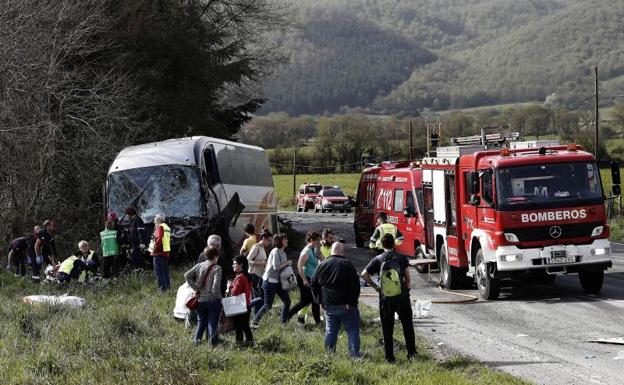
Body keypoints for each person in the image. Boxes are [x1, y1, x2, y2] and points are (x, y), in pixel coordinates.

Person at [361, 233, 416, 363]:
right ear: (394, 244)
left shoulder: (378, 259)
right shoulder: (402, 258)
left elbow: (364, 274)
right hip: (402, 297)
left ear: (382, 244)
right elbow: (408, 278)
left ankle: (390, 358)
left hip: (386, 299)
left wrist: (377, 288)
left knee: (387, 328)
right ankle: (412, 354)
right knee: (407, 326)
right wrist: (406, 290)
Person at [311, 242, 361, 358]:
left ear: (331, 252)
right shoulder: (348, 265)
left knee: (331, 331)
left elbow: (313, 284)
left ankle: (329, 355)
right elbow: (355, 286)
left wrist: (320, 301)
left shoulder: (322, 265)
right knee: (352, 330)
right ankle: (354, 356)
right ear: (342, 252)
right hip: (347, 305)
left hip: (329, 304)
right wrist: (352, 302)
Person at [250, 233, 291, 328]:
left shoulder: (283, 253)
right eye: (285, 239)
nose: (287, 241)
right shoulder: (275, 251)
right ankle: (254, 322)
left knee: (287, 301)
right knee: (267, 305)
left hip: (278, 282)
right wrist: (287, 263)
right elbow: (276, 267)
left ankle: (283, 323)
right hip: (269, 282)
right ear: (280, 241)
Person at [185, 247, 222, 346]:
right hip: (213, 300)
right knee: (212, 323)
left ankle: (196, 342)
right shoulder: (217, 268)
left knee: (201, 323)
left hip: (200, 300)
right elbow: (215, 286)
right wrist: (218, 298)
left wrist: (196, 288)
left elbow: (187, 275)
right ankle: (212, 345)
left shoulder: (199, 265)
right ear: (215, 256)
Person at [287, 231, 322, 325]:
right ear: (311, 240)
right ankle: (287, 317)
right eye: (318, 240)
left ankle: (317, 321)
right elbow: (299, 266)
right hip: (304, 278)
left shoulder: (314, 249)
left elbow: (322, 259)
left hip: (312, 279)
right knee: (304, 301)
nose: (319, 242)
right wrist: (304, 280)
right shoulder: (306, 251)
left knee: (315, 300)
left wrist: (318, 249)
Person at [229, 255, 254, 346]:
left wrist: (230, 287)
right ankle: (249, 341)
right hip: (246, 304)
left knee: (238, 325)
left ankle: (239, 343)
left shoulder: (240, 277)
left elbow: (235, 292)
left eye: (235, 263)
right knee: (245, 325)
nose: (233, 265)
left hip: (240, 305)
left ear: (241, 264)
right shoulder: (247, 275)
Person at [150, 214, 171, 293]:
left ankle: (162, 289)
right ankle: (168, 288)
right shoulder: (166, 227)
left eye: (155, 218)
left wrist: (154, 247)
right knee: (165, 272)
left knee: (159, 272)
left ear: (158, 220)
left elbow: (159, 238)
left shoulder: (159, 227)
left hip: (158, 253)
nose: (154, 220)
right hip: (165, 252)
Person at [247, 231, 271, 299]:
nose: (269, 242)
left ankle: (256, 308)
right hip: (254, 275)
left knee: (259, 297)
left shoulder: (263, 248)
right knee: (258, 297)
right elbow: (248, 260)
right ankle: (254, 309)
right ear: (263, 238)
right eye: (268, 240)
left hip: (260, 275)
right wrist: (261, 263)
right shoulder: (256, 247)